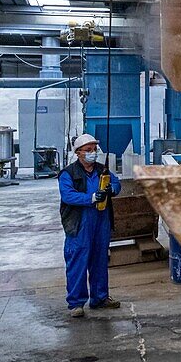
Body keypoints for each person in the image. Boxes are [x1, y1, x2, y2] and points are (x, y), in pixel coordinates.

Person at [59, 134, 122, 318]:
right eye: (88, 150)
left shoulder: (102, 170)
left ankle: (100, 298)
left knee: (100, 260)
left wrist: (113, 189)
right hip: (79, 223)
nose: (92, 153)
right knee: (78, 261)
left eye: (94, 150)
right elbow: (67, 196)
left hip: (101, 221)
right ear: (78, 153)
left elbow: (116, 183)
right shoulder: (68, 174)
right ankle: (76, 303)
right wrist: (91, 198)